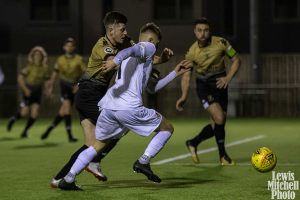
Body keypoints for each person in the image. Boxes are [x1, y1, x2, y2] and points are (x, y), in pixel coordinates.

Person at [57, 22, 191, 190]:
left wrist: (174, 73)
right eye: (156, 44)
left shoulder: (140, 61)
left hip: (109, 106)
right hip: (128, 107)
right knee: (167, 128)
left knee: (98, 145)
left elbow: (152, 88)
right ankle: (143, 161)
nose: (155, 48)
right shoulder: (145, 47)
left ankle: (68, 179)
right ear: (150, 40)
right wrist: (114, 62)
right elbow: (128, 51)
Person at [176, 18, 241, 165]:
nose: (203, 33)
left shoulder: (221, 43)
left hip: (221, 84)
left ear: (209, 31)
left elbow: (237, 60)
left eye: (205, 30)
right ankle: (223, 156)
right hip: (204, 87)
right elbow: (186, 76)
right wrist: (183, 96)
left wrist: (228, 78)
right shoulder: (192, 52)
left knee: (218, 123)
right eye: (199, 30)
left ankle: (193, 142)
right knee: (219, 118)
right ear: (195, 32)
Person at [41, 37, 85, 142]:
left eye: (71, 45)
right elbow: (55, 73)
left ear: (74, 47)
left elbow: (85, 73)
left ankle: (49, 129)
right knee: (67, 108)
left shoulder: (78, 59)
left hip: (74, 85)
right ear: (64, 47)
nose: (69, 47)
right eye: (67, 45)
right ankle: (70, 136)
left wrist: (78, 84)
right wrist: (50, 87)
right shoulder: (60, 59)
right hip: (64, 85)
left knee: (63, 112)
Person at [7, 46, 50, 138]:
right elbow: (20, 78)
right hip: (28, 91)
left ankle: (25, 131)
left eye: (39, 55)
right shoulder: (29, 67)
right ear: (33, 56)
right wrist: (25, 89)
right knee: (24, 113)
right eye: (36, 54)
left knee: (35, 114)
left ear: (42, 56)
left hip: (37, 92)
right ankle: (13, 119)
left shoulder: (44, 68)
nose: (37, 56)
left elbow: (46, 80)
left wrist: (47, 90)